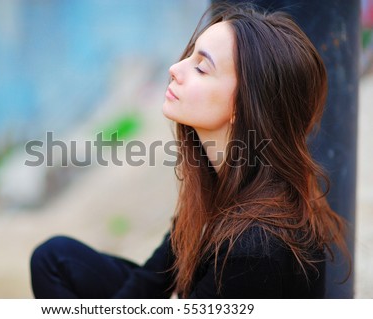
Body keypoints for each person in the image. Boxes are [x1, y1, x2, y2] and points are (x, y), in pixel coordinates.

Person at [30, 3, 350, 298]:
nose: (174, 68)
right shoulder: (223, 180)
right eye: (189, 56)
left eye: (201, 68)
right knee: (56, 259)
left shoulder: (255, 248)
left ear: (243, 106)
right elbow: (151, 281)